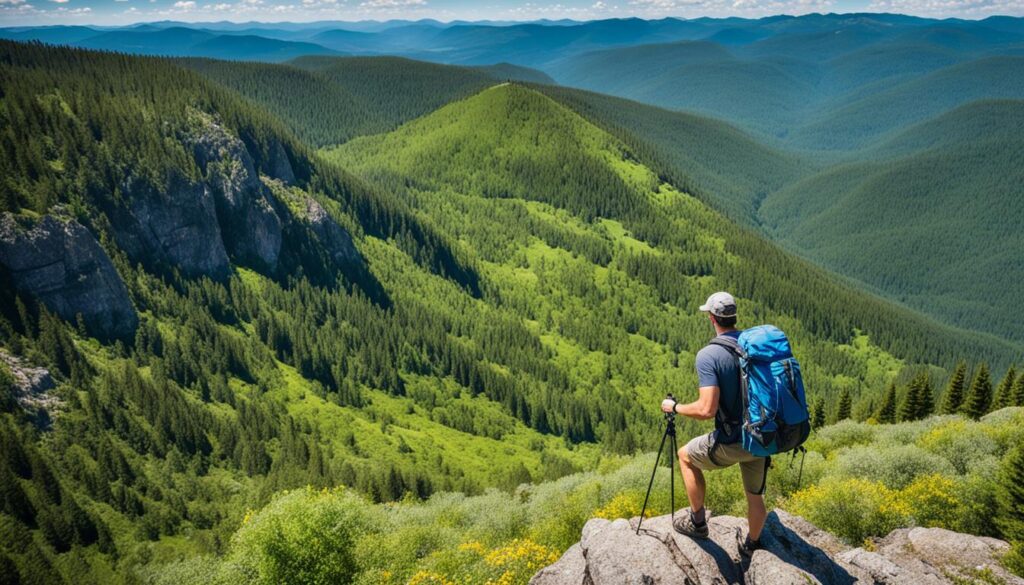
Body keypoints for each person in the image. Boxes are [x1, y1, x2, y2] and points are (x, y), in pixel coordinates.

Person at [659, 291, 767, 558]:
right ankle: (752, 546)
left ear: (711, 318)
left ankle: (697, 523)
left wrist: (675, 407)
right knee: (755, 496)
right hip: (763, 435)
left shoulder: (709, 355)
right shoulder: (754, 345)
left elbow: (707, 409)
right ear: (734, 316)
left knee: (685, 456)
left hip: (735, 439)